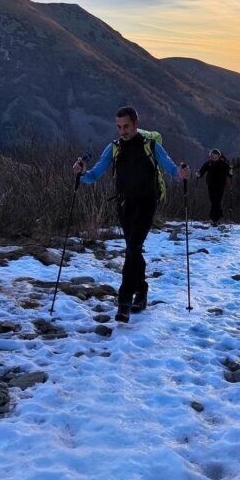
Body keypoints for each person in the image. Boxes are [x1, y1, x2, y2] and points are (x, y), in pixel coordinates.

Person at [73, 106, 189, 323]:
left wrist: (180, 173)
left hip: (147, 204)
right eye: (118, 127)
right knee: (132, 250)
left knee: (133, 248)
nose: (122, 131)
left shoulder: (150, 145)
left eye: (126, 126)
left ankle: (124, 301)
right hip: (124, 205)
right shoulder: (114, 147)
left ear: (136, 124)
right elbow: (96, 173)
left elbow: (171, 169)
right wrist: (81, 174)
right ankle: (142, 291)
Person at [197, 149, 233, 225]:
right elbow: (202, 171)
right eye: (212, 156)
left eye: (215, 156)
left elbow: (229, 173)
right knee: (213, 201)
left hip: (220, 185)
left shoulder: (223, 163)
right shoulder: (209, 163)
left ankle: (214, 219)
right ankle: (217, 218)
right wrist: (199, 174)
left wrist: (230, 173)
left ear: (218, 156)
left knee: (217, 201)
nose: (213, 157)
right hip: (211, 185)